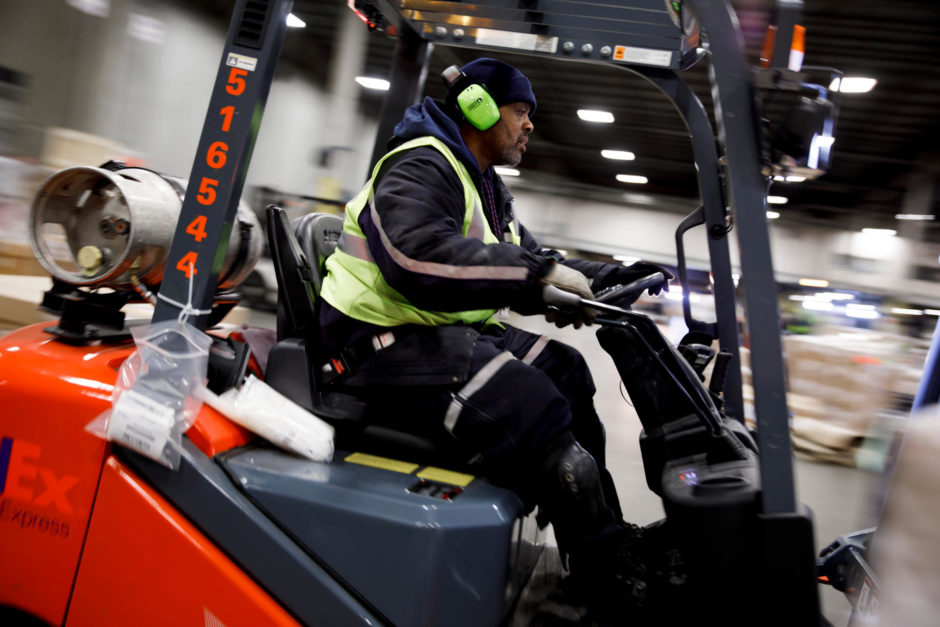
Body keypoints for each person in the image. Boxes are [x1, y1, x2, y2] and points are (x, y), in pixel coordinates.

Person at [318, 57, 672, 616]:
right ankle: (605, 573)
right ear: (477, 106)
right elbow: (416, 257)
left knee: (568, 372)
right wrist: (536, 279)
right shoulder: (421, 165)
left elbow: (529, 258)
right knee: (533, 405)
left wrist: (604, 277)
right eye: (521, 111)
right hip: (379, 346)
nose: (530, 125)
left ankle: (607, 540)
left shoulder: (480, 185)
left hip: (433, 336)